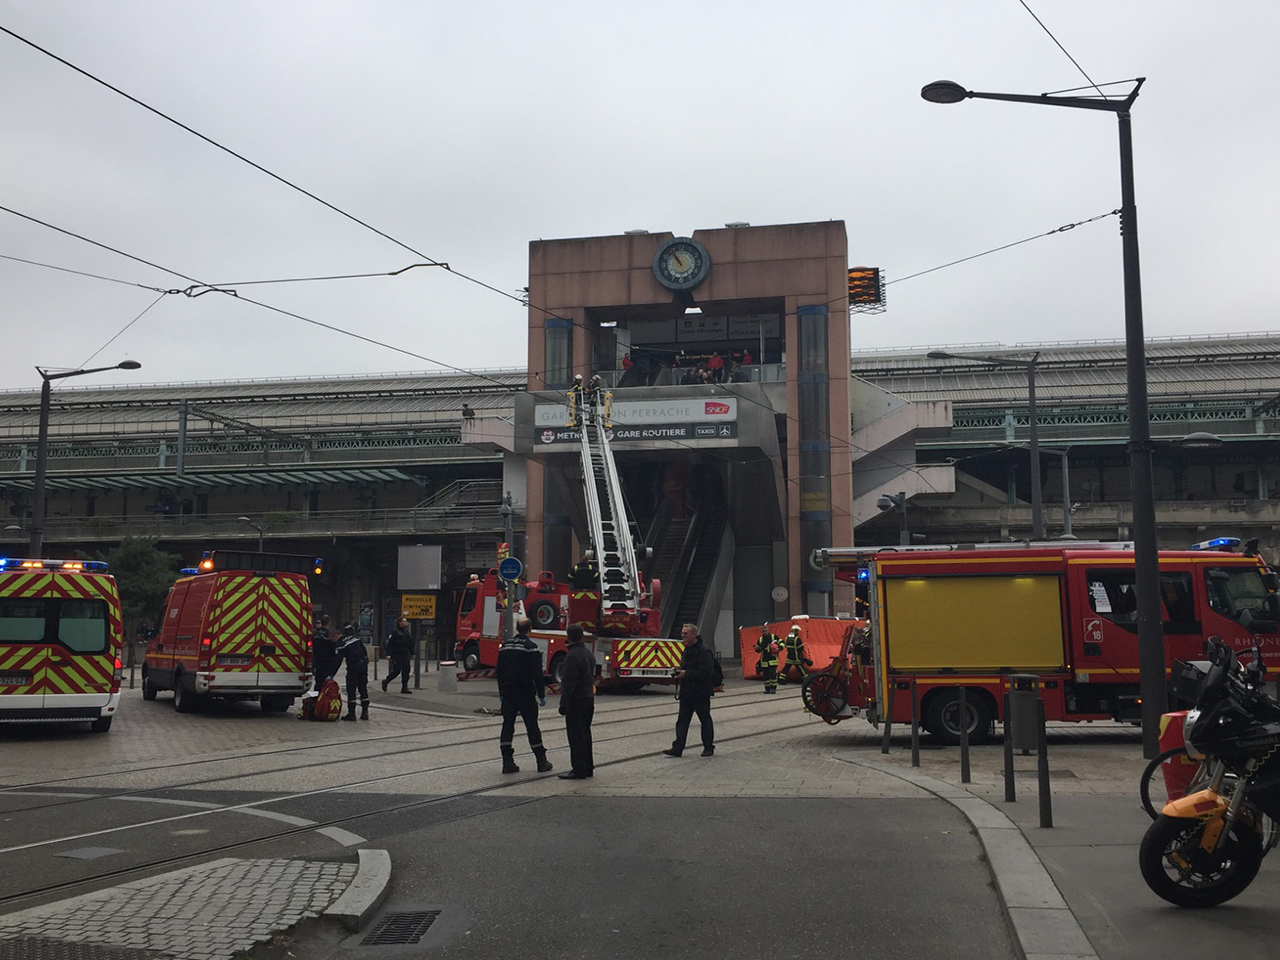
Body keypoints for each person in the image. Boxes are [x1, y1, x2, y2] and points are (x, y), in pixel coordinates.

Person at [495, 616, 552, 774]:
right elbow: (536, 674)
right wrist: (541, 695)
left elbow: (499, 671)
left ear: (517, 629)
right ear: (529, 629)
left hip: (508, 693)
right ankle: (541, 761)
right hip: (525, 693)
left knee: (507, 726)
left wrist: (501, 692)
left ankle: (507, 762)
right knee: (532, 726)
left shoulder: (505, 646)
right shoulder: (530, 647)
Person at [663, 622, 716, 757]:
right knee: (682, 721)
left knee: (705, 720)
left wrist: (686, 673)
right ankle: (678, 748)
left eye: (685, 633)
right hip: (687, 692)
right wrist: (678, 670)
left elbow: (707, 673)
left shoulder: (704, 651)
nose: (682, 635)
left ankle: (708, 747)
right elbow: (688, 668)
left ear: (694, 635)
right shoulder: (687, 649)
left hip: (700, 693)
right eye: (682, 633)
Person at [557, 623, 596, 779]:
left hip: (577, 701)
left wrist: (563, 704)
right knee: (585, 733)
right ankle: (587, 766)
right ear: (582, 636)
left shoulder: (572, 656)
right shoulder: (588, 653)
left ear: (568, 637)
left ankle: (578, 769)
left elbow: (569, 683)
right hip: (588, 699)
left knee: (575, 735)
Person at [335, 623, 370, 721]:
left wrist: (331, 673)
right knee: (363, 688)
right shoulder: (357, 640)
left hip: (353, 666)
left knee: (351, 689)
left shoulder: (342, 642)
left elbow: (338, 660)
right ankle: (365, 712)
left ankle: (351, 714)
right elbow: (365, 653)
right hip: (363, 665)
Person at [382, 616, 414, 694]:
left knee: (406, 670)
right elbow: (390, 644)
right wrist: (388, 654)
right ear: (400, 623)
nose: (406, 623)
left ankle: (404, 687)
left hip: (405, 653)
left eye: (406, 621)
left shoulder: (406, 632)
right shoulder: (395, 632)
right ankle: (386, 681)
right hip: (397, 654)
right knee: (396, 671)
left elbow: (410, 643)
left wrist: (412, 653)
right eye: (404, 621)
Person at [754, 623, 780, 694]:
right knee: (766, 676)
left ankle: (773, 688)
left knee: (773, 675)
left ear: (768, 630)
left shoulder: (773, 637)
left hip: (772, 660)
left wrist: (779, 648)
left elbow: (782, 642)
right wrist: (757, 648)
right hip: (764, 661)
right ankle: (767, 689)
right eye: (763, 630)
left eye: (766, 630)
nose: (765, 632)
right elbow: (759, 650)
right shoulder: (760, 639)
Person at [312, 614, 338, 684]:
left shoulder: (315, 633)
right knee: (325, 683)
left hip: (317, 661)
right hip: (327, 662)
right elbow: (332, 649)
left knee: (318, 682)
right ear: (329, 623)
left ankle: (317, 694)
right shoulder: (328, 635)